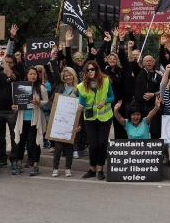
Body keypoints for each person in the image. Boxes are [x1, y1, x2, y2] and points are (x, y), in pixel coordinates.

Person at [77, 60, 114, 180]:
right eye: (87, 70)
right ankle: (92, 169)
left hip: (105, 117)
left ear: (97, 70)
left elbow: (112, 97)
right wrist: (80, 106)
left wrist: (105, 101)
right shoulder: (82, 86)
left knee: (102, 144)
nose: (90, 72)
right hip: (90, 118)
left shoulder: (105, 81)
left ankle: (100, 170)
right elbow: (82, 102)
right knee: (93, 145)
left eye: (92, 69)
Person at [48, 47, 81, 177]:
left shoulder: (79, 89)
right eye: (65, 75)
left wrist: (80, 124)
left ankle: (68, 168)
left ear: (73, 75)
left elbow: (82, 107)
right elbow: (55, 70)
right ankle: (55, 168)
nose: (67, 77)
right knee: (58, 146)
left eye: (69, 75)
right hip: (58, 120)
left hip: (73, 120)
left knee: (69, 146)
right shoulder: (60, 85)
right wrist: (52, 57)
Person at [11, 67, 49, 176]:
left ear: (37, 76)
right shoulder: (20, 87)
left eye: (35, 74)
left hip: (35, 119)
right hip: (22, 119)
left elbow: (46, 101)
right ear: (27, 75)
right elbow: (16, 103)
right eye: (30, 74)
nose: (33, 76)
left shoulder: (41, 87)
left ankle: (36, 166)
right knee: (20, 143)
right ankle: (19, 164)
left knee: (35, 143)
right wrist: (14, 106)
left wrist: (38, 102)